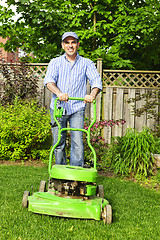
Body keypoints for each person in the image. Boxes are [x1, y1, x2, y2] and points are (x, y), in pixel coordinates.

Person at [44, 31, 102, 167]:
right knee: (59, 142)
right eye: (67, 43)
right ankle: (60, 172)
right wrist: (59, 93)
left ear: (78, 44)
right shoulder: (55, 62)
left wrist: (92, 95)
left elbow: (96, 82)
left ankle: (76, 176)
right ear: (63, 45)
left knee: (78, 142)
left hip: (77, 108)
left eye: (73, 42)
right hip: (58, 108)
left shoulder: (87, 63)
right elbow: (49, 81)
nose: (70, 46)